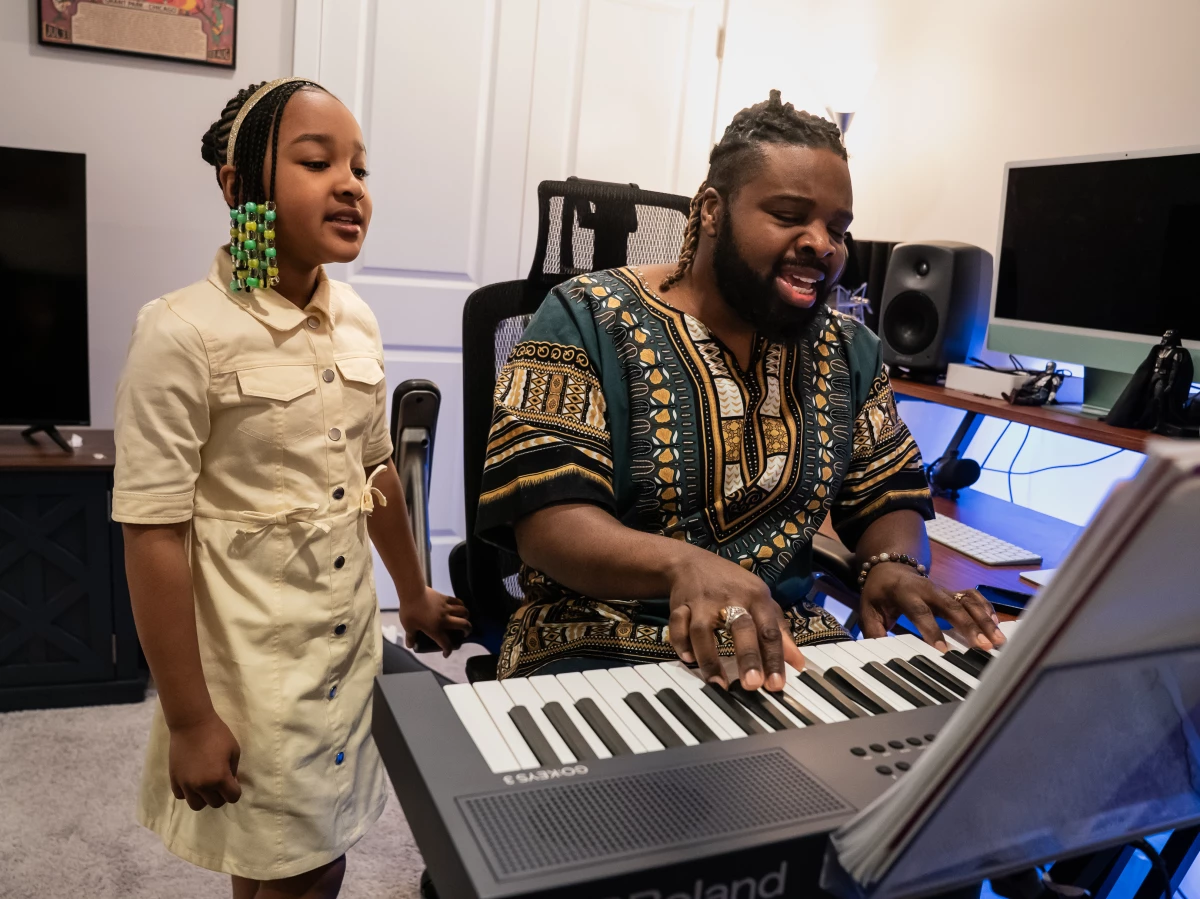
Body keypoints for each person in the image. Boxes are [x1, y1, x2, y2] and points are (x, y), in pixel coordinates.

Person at [476, 90, 1005, 688]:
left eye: (837, 227)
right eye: (788, 216)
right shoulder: (585, 318)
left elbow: (887, 493)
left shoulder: (848, 349)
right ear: (710, 210)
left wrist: (893, 564)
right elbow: (547, 526)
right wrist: (684, 566)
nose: (822, 244)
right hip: (598, 642)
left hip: (783, 644)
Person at [113, 78, 470, 899]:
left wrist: (411, 593)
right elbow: (152, 532)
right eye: (317, 161)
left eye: (360, 167)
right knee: (304, 862)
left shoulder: (358, 321)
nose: (350, 182)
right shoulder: (182, 332)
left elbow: (375, 471)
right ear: (240, 188)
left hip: (343, 644)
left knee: (294, 852)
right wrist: (192, 718)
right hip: (252, 665)